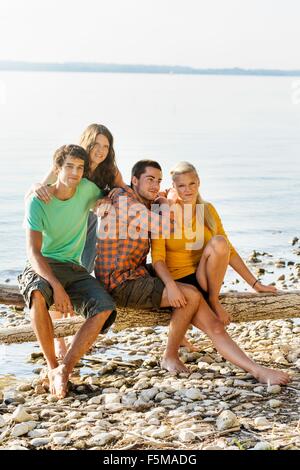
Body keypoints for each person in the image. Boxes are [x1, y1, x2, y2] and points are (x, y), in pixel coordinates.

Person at [151, 161, 290, 384]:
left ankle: (214, 300)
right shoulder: (163, 212)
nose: (188, 190)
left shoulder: (207, 210)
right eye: (181, 186)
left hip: (203, 279)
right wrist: (171, 286)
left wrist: (255, 284)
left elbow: (230, 252)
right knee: (215, 327)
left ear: (199, 182)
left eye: (192, 184)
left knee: (219, 243)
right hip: (180, 282)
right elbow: (157, 258)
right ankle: (259, 371)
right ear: (173, 187)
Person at [18, 145, 116, 399]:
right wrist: (57, 287)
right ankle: (52, 365)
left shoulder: (86, 189)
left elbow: (111, 193)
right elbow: (33, 253)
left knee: (104, 307)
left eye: (80, 168)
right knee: (38, 295)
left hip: (73, 267)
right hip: (42, 264)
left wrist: (105, 201)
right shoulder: (38, 201)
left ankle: (65, 368)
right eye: (69, 166)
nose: (75, 172)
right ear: (57, 169)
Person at [95, 160, 204, 372]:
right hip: (120, 283)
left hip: (136, 272)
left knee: (186, 277)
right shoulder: (126, 201)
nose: (155, 185)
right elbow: (167, 228)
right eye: (150, 180)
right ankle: (170, 356)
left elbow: (163, 193)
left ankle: (182, 336)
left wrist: (169, 193)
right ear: (134, 180)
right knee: (190, 296)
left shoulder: (141, 198)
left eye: (159, 180)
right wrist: (164, 202)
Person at [27, 124, 126, 359]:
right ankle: (59, 339)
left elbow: (124, 191)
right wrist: (35, 187)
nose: (101, 150)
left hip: (91, 221)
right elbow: (42, 188)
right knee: (56, 276)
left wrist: (111, 198)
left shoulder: (109, 170)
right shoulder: (71, 160)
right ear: (86, 143)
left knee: (83, 269)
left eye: (106, 146)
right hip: (72, 220)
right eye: (96, 145)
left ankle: (74, 329)